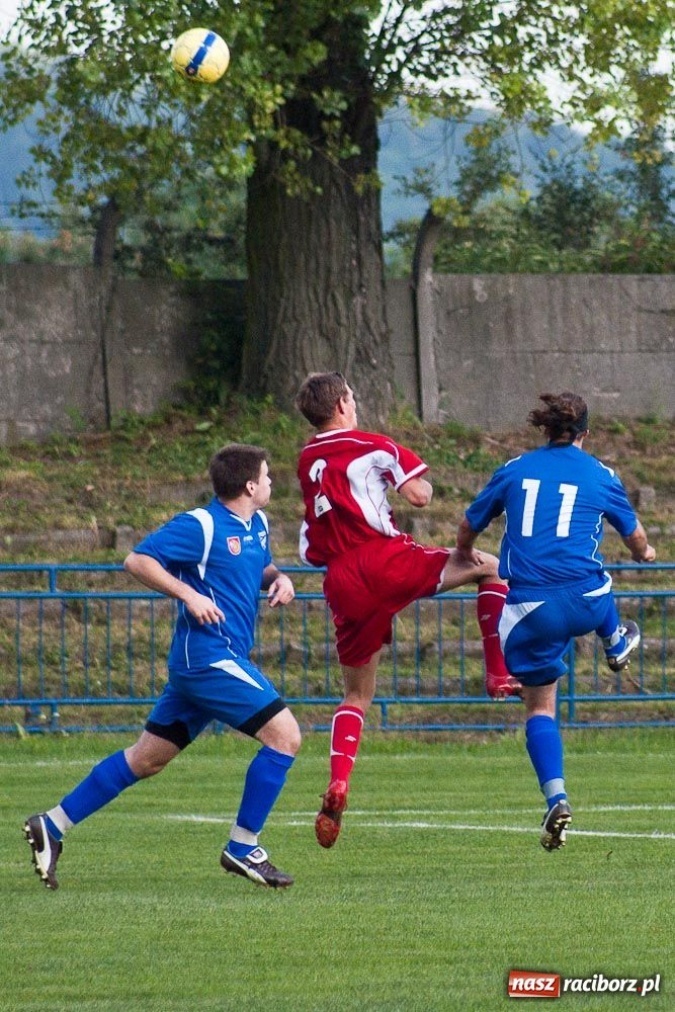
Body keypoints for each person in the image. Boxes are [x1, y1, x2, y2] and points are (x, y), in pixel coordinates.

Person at [24, 443, 301, 890]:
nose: (271, 483)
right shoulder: (202, 524)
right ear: (250, 485)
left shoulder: (258, 523)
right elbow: (137, 560)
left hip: (209, 663)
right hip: (209, 659)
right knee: (286, 736)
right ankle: (243, 845)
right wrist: (188, 595)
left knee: (146, 760)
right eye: (267, 477)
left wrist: (280, 579)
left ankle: (51, 825)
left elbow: (261, 566)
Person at [295, 371, 520, 849]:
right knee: (490, 568)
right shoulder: (373, 444)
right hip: (383, 559)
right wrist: (423, 487)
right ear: (340, 404)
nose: (355, 403)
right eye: (352, 396)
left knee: (356, 696)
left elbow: (307, 540)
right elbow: (418, 494)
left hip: (340, 577)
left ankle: (339, 782)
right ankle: (498, 673)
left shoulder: (306, 460)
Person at [456, 392, 656, 851]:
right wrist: (645, 553)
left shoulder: (514, 468)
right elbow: (636, 537)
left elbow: (469, 526)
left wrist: (465, 554)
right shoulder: (602, 475)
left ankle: (556, 796)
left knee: (540, 709)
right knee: (593, 576)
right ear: (586, 433)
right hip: (587, 600)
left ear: (545, 430)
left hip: (531, 612)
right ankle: (613, 639)